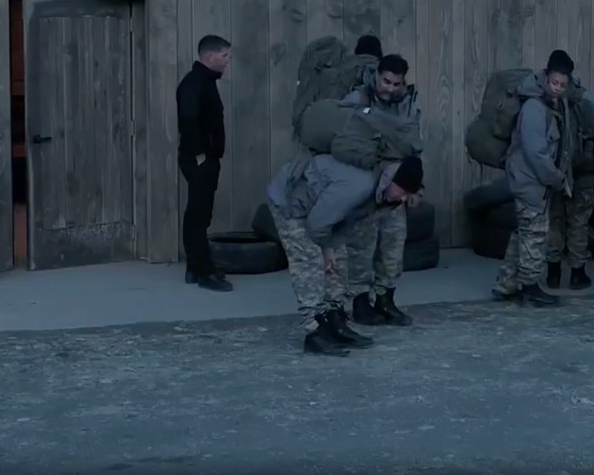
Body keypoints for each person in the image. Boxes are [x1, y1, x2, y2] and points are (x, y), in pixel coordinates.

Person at [267, 154, 423, 356]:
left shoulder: (378, 194)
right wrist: (325, 248)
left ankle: (334, 320)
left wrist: (332, 249)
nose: (402, 199)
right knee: (308, 262)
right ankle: (315, 332)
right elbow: (317, 224)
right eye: (402, 192)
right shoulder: (359, 186)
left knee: (338, 259)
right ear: (390, 180)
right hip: (289, 202)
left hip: (319, 212)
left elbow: (342, 222)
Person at [341, 54, 423, 326]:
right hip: (364, 186)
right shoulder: (357, 100)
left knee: (393, 247)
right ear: (376, 75)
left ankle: (385, 299)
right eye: (385, 81)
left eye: (396, 84)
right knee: (361, 249)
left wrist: (414, 188)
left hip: (395, 189)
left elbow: (413, 149)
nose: (389, 88)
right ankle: (360, 302)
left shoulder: (407, 106)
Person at [491, 50, 574, 306]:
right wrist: (557, 179)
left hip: (534, 181)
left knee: (523, 233)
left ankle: (506, 284)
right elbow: (537, 153)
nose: (557, 89)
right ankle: (529, 287)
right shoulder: (534, 108)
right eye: (554, 83)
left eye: (562, 85)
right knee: (535, 234)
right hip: (531, 181)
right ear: (546, 77)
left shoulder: (552, 105)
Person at [176, 35, 233, 292]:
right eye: (224, 56)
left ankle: (196, 267)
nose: (227, 61)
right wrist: (200, 155)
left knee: (200, 213)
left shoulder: (206, 82)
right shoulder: (194, 83)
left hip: (206, 158)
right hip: (199, 159)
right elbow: (188, 121)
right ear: (209, 57)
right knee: (198, 215)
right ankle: (202, 272)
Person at [546, 76, 594, 290]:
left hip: (554, 174)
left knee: (554, 221)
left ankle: (553, 274)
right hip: (583, 174)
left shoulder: (546, 100)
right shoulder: (588, 102)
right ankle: (577, 274)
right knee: (579, 223)